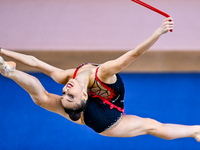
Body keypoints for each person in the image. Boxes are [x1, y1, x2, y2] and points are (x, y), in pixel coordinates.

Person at [0, 17, 200, 141]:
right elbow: (134, 54)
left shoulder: (67, 78)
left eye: (64, 94)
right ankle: (195, 131)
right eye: (70, 95)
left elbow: (34, 61)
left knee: (42, 99)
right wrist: (159, 32)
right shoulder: (102, 75)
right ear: (85, 98)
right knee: (152, 126)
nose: (66, 90)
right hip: (104, 119)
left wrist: (2, 51)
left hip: (97, 105)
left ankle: (9, 73)